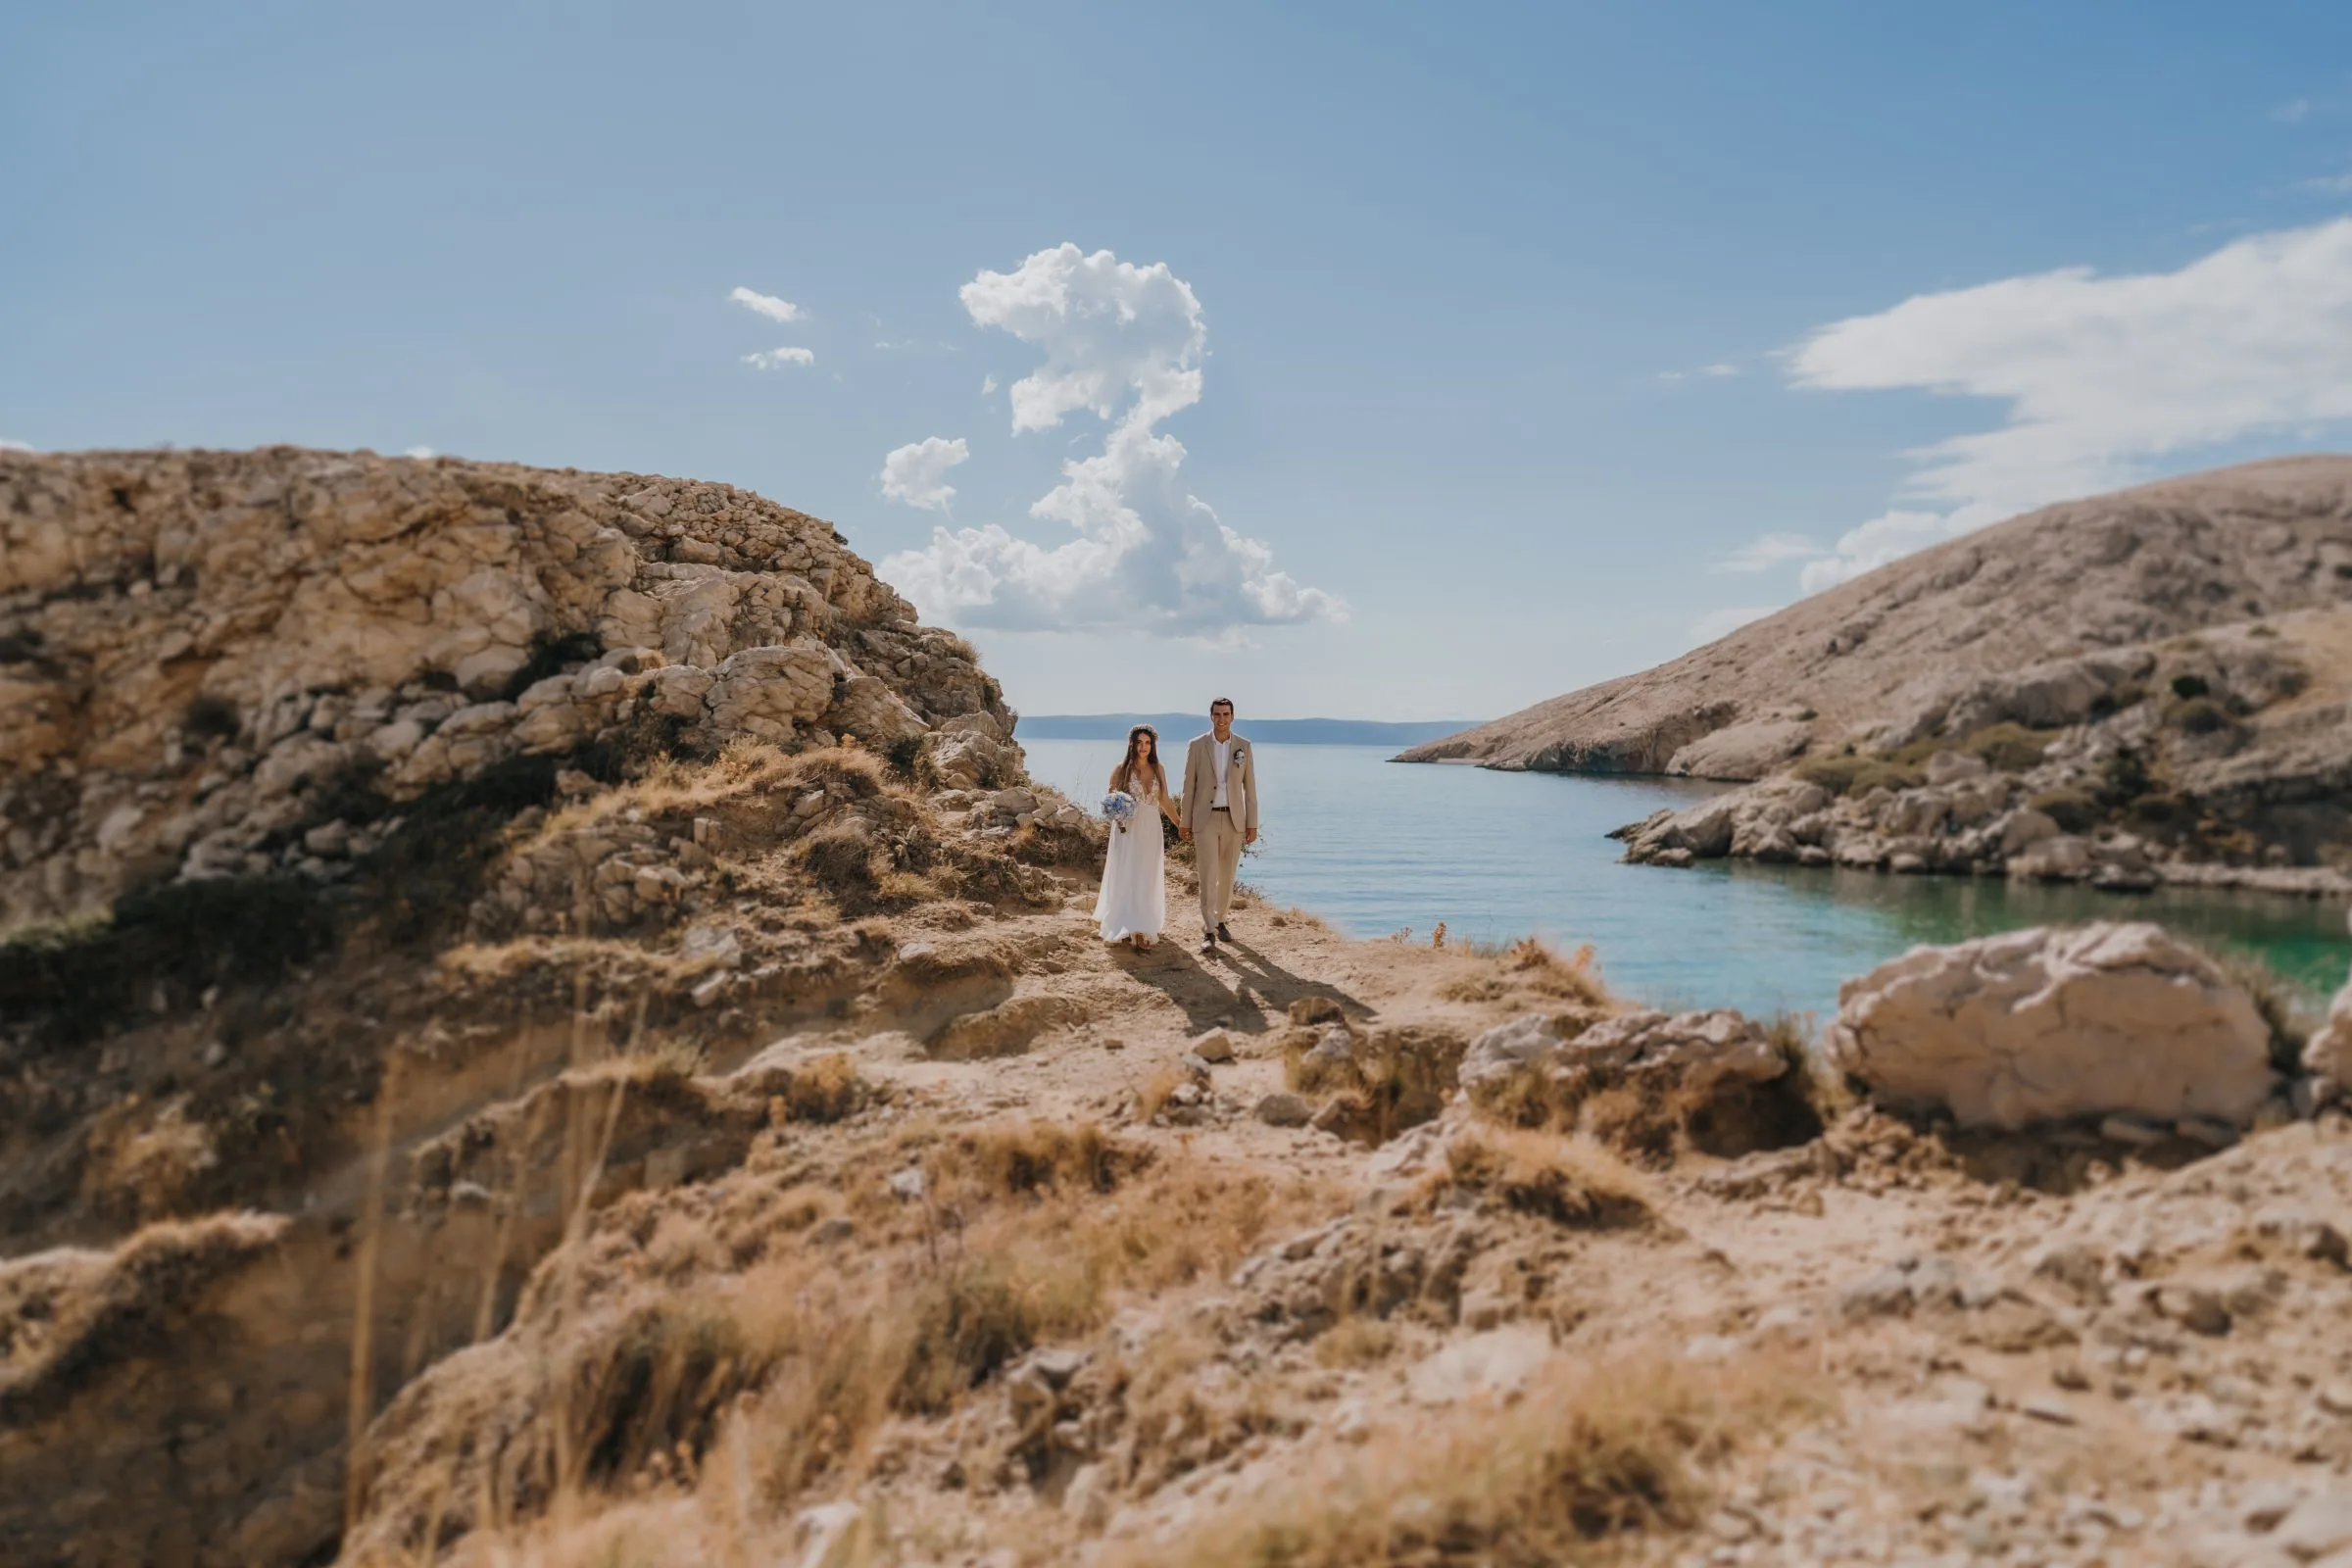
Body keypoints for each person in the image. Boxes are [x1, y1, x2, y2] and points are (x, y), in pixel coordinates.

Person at [1180, 697, 1256, 956]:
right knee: (1207, 874)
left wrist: (1252, 823)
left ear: (1233, 717)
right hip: (1206, 819)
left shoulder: (1243, 746)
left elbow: (1250, 789)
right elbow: (1188, 786)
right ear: (1210, 716)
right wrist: (1184, 821)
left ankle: (1222, 920)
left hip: (1235, 819)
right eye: (1217, 714)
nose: (1221, 719)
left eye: (1226, 714)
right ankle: (1209, 930)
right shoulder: (1197, 745)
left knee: (1227, 875)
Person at [1095, 723, 1183, 949]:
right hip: (1128, 829)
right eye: (1139, 742)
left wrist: (1180, 824)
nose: (1143, 747)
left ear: (1152, 745)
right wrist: (1119, 815)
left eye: (1148, 743)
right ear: (1132, 744)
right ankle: (1126, 925)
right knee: (1127, 873)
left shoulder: (1158, 768)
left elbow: (1164, 800)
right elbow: (1111, 800)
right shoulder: (1121, 769)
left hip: (1151, 827)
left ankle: (1143, 925)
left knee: (1147, 874)